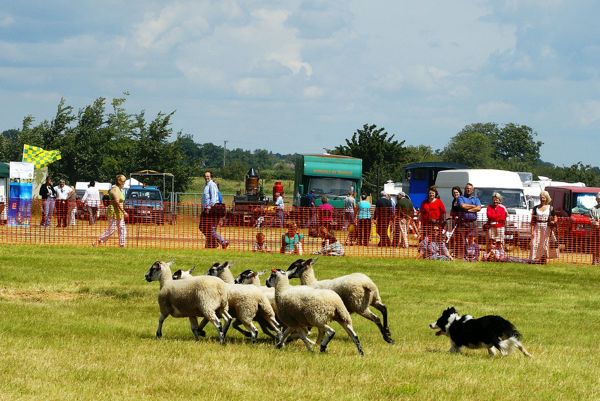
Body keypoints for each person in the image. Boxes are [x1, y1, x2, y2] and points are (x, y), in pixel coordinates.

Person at [94, 174, 128, 247]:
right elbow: (116, 201)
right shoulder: (114, 188)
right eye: (123, 181)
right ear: (119, 182)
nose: (124, 183)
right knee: (111, 230)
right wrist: (124, 211)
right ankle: (98, 241)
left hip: (119, 213)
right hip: (114, 212)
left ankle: (122, 245)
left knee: (122, 229)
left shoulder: (119, 189)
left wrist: (122, 211)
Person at [200, 170, 228, 249]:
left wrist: (209, 208)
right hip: (206, 210)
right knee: (202, 227)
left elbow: (213, 198)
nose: (206, 177)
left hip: (211, 210)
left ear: (211, 177)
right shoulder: (206, 185)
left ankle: (222, 242)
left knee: (211, 229)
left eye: (208, 176)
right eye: (205, 176)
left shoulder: (212, 185)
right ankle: (212, 243)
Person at [529, 190, 557, 264]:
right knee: (534, 242)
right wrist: (531, 231)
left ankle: (543, 259)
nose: (542, 199)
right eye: (541, 197)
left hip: (546, 227)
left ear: (546, 198)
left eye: (544, 198)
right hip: (537, 227)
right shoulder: (535, 208)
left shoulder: (551, 208)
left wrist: (553, 221)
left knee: (544, 243)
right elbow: (532, 221)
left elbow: (555, 217)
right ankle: (532, 259)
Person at [455, 183, 482, 258]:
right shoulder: (461, 198)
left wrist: (468, 210)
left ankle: (475, 256)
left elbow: (479, 208)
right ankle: (465, 256)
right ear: (465, 189)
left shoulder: (476, 199)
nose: (468, 190)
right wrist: (473, 206)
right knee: (464, 240)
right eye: (467, 188)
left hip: (473, 222)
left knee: (472, 240)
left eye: (470, 188)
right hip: (463, 222)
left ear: (472, 190)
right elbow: (462, 206)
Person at [590, 193, 600, 265]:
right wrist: (594, 223)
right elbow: (591, 220)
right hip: (596, 230)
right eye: (598, 199)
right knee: (595, 245)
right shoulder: (593, 209)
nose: (599, 201)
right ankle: (594, 260)